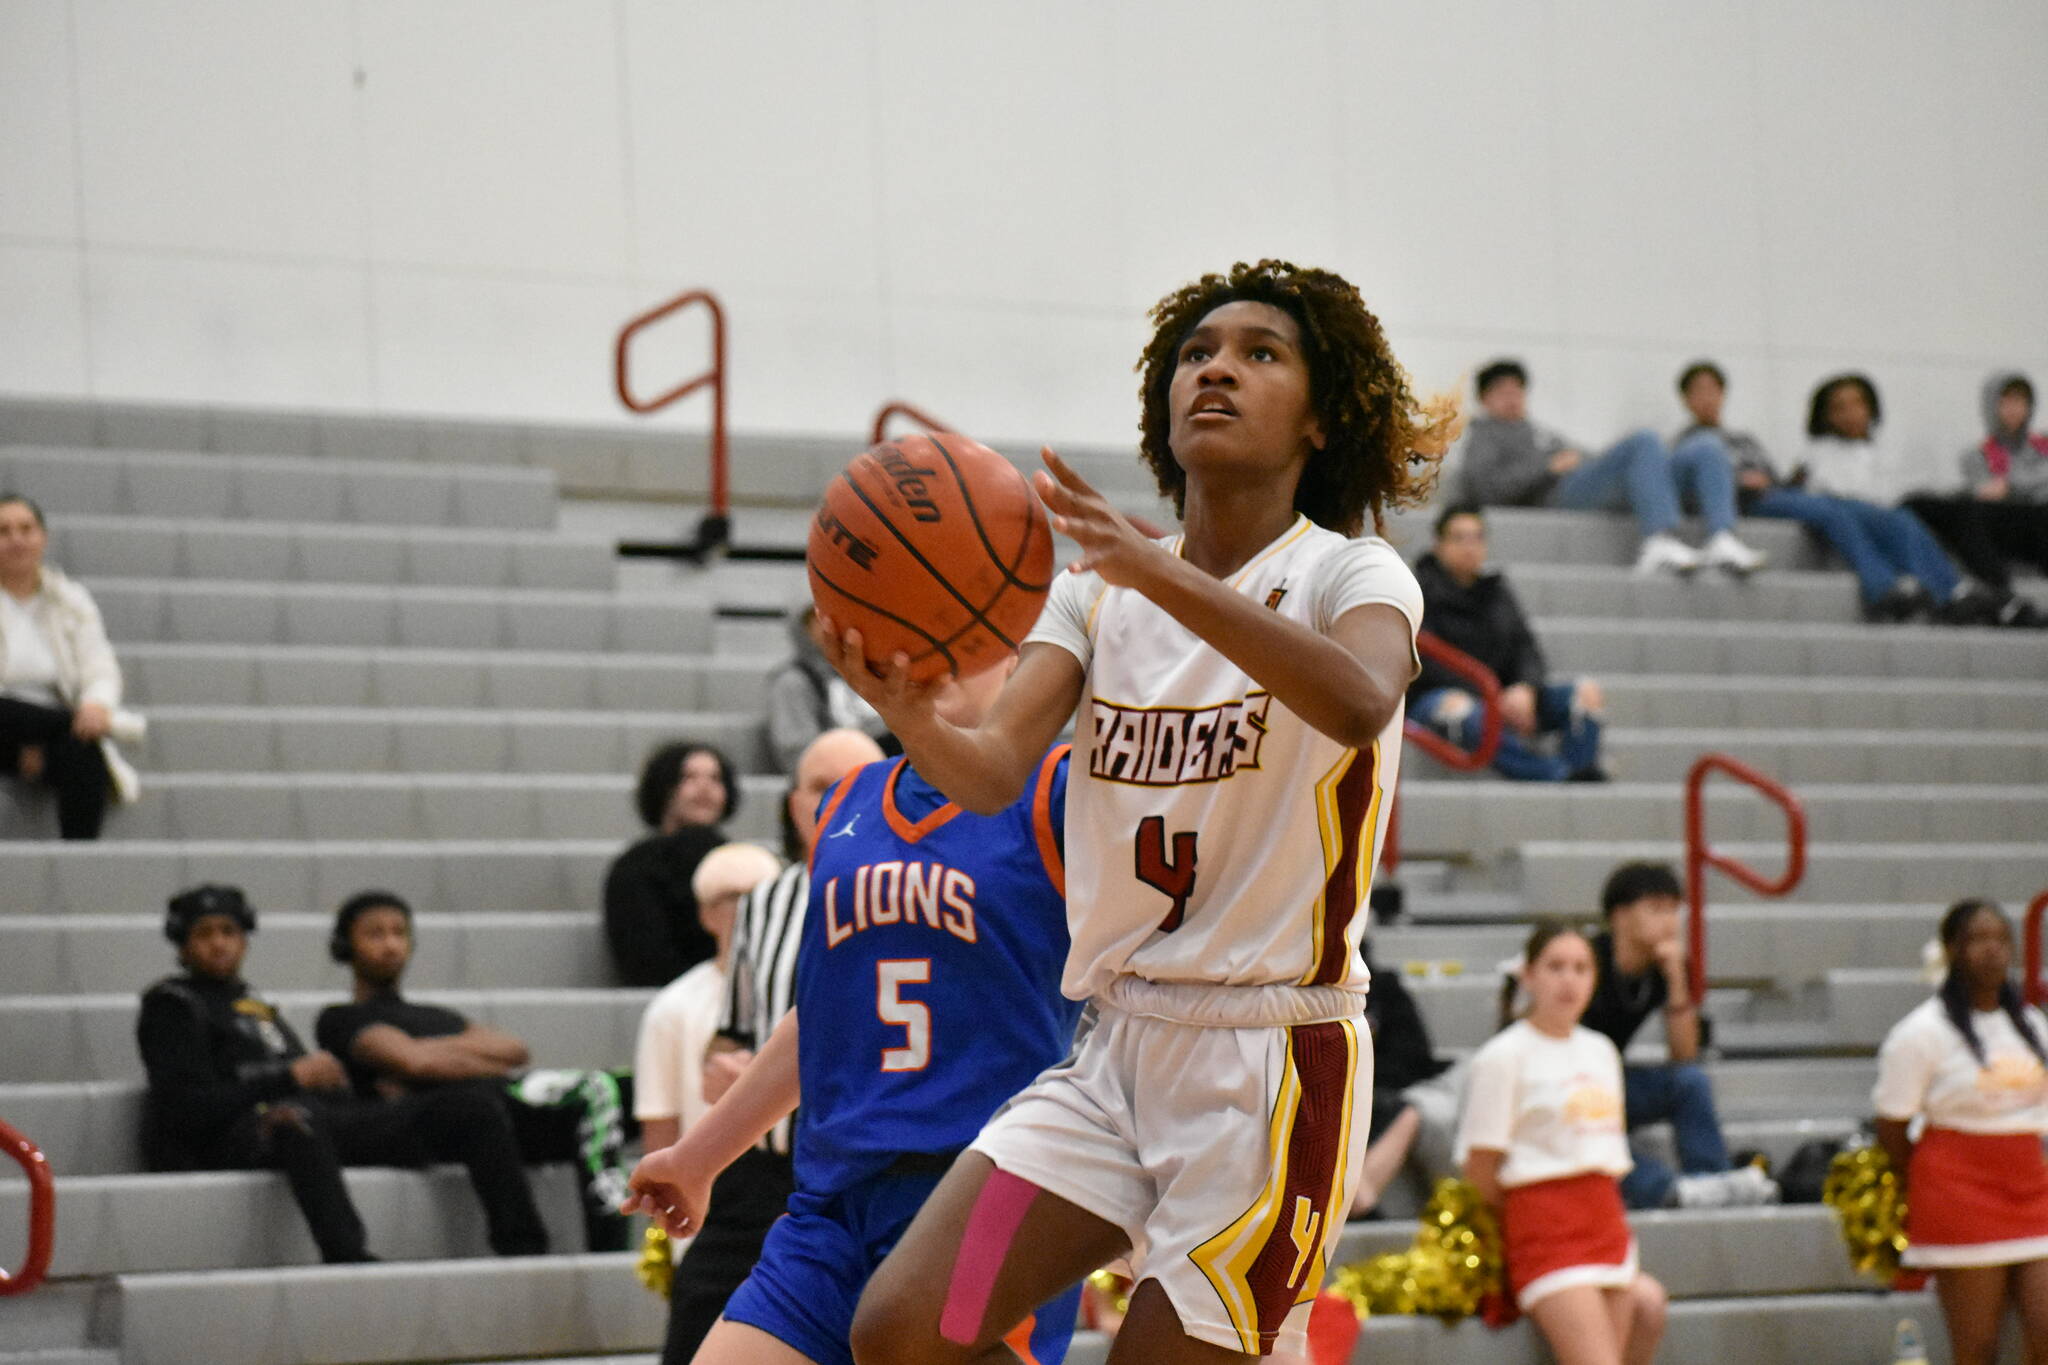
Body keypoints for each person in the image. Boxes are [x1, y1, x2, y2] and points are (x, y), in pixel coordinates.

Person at [799, 258, 1455, 1361]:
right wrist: (906, 711)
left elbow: (1356, 701)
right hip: (1115, 1054)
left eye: (1259, 354)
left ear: (1320, 417)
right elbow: (994, 769)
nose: (1217, 370)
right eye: (1196, 353)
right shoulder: (1098, 588)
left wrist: (1161, 577)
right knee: (907, 1329)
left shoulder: (1354, 574)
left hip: (1271, 1069)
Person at [623, 663, 1084, 1365]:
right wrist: (699, 1155)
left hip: (982, 1201)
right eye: (917, 626)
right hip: (832, 1205)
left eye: (960, 629)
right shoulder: (849, 802)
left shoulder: (1064, 787)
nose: (937, 649)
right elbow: (825, 1014)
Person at [137, 885, 550, 1262]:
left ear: (244, 939)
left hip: (310, 1116)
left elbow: (303, 1076)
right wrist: (291, 1080)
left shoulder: (251, 1002)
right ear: (183, 945)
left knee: (468, 1107)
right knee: (296, 1117)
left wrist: (369, 1094)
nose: (219, 943)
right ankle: (346, 1254)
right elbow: (184, 1108)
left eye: (228, 931)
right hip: (239, 1135)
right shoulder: (173, 1005)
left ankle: (524, 1246)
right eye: (205, 934)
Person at [655, 728, 887, 1365]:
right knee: (692, 1332)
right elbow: (741, 1031)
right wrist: (720, 1066)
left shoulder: (916, 895)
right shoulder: (763, 904)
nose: (839, 798)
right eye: (820, 786)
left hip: (870, 1163)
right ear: (794, 804)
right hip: (759, 1173)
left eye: (857, 781)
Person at [317, 890, 630, 1251]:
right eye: (375, 934)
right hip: (440, 1121)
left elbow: (513, 1050)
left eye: (399, 933)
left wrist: (425, 1052)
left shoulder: (437, 1015)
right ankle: (523, 1245)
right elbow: (415, 1062)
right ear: (345, 945)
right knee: (476, 1108)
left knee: (616, 1087)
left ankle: (612, 1244)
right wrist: (450, 1058)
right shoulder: (341, 1018)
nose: (390, 944)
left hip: (503, 1105)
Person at [1458, 922, 1668, 1365]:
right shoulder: (1503, 1056)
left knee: (1650, 1305)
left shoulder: (1602, 1051)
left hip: (1606, 1223)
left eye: (1581, 968)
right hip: (1544, 1231)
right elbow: (1479, 1173)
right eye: (1555, 967)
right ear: (1529, 975)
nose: (1569, 980)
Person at [1873, 899, 2048, 1365]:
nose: (1992, 951)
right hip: (1959, 1194)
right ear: (1952, 950)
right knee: (1978, 1348)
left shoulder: (2032, 1025)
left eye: (2001, 940)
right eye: (1978, 940)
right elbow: (1890, 1123)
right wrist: (1932, 1185)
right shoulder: (1920, 1033)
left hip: (2031, 1190)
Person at [631, 839, 783, 1364]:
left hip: (793, 1190)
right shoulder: (672, 1009)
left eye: (761, 895)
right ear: (704, 913)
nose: (747, 909)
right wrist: (667, 1237)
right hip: (713, 1206)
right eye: (732, 897)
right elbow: (660, 1130)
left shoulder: (798, 989)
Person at [1673, 363, 1974, 624]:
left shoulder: (1744, 438)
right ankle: (1882, 588)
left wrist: (1771, 480)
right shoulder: (1686, 443)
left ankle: (1950, 592)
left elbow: (1778, 478)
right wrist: (1739, 480)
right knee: (1833, 509)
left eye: (1713, 389)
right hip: (1743, 501)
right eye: (1699, 391)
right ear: (1686, 399)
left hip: (1775, 493)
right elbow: (1690, 488)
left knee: (1897, 518)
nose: (1707, 398)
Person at [1577, 862, 1776, 1211]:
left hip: (1613, 1079)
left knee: (1690, 1082)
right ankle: (1667, 1189)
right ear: (1620, 916)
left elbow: (1685, 1056)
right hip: (1571, 1086)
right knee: (1587, 1136)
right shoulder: (1585, 961)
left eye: (1673, 909)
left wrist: (1676, 981)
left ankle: (1712, 1181)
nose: (1669, 921)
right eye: (1656, 909)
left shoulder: (1665, 965)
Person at [1458, 361, 1765, 576]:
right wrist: (1548, 466)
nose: (1513, 399)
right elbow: (1487, 487)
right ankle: (1659, 539)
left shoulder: (1540, 431)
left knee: (1706, 446)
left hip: (1589, 481)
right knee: (1644, 440)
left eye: (1517, 391)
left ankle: (1722, 537)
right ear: (1485, 400)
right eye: (1503, 393)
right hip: (1558, 495)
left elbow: (1592, 459)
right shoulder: (1484, 435)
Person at [1804, 374, 2043, 628]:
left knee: (1964, 511)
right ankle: (1984, 590)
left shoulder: (1880, 447)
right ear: (1826, 415)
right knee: (1935, 516)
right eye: (1841, 407)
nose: (1852, 413)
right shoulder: (1821, 453)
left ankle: (1994, 591)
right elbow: (1843, 493)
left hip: (1903, 503)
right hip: (1881, 509)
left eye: (1858, 403)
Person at [1409, 504, 1606, 782]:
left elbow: (1526, 647)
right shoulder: (1416, 591)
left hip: (1500, 697)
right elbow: (1426, 663)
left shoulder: (1497, 591)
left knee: (1585, 693)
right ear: (1438, 544)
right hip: (1439, 698)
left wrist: (1526, 688)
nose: (1470, 547)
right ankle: (1556, 775)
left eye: (1477, 538)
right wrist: (1491, 699)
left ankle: (1580, 773)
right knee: (1460, 709)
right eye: (1459, 538)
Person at [0, 492, 142, 838]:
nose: (16, 539)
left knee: (83, 752)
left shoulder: (69, 599)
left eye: (25, 529)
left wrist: (96, 705)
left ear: (42, 538)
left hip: (49, 721)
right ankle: (88, 726)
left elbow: (99, 664)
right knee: (65, 727)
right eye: (3, 531)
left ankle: (80, 861)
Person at [604, 740, 740, 986]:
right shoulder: (635, 867)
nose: (704, 788)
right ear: (663, 787)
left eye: (715, 778)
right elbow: (643, 955)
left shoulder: (744, 862)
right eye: (688, 777)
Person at [766, 597, 898, 772]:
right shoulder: (793, 682)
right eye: (820, 617)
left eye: (838, 613)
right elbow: (799, 756)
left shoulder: (876, 670)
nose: (832, 624)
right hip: (840, 780)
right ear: (802, 628)